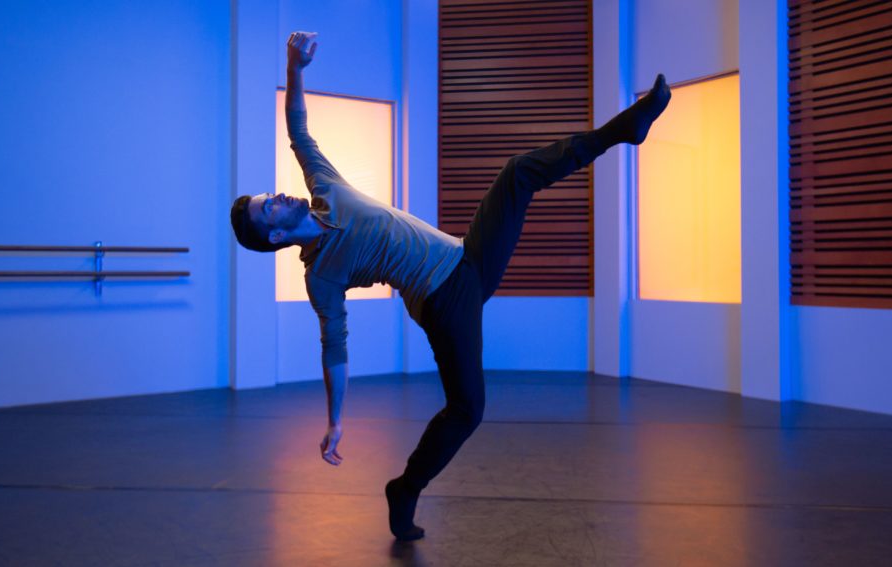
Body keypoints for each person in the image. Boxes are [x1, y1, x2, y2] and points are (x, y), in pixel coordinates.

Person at [230, 31, 671, 541]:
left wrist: (296, 67)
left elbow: (298, 130)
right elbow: (334, 347)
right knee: (468, 410)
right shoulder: (320, 275)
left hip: (466, 258)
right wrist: (335, 420)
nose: (281, 195)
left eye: (271, 194)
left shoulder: (323, 187)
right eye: (271, 206)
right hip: (445, 303)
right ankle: (405, 488)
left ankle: (624, 129)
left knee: (517, 172)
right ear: (278, 234)